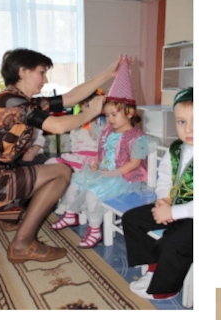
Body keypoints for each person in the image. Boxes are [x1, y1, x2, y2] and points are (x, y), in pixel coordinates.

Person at [0, 49, 123, 262]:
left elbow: (69, 98)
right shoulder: (11, 102)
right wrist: (91, 112)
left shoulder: (17, 100)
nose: (45, 79)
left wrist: (107, 74)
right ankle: (22, 243)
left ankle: (11, 225)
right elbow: (57, 125)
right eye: (42, 72)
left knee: (54, 170)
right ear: (23, 72)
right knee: (61, 171)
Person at [51, 57, 152, 249]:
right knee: (76, 182)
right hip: (103, 172)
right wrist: (97, 162)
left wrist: (114, 172)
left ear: (130, 113)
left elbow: (134, 163)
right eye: (107, 115)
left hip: (123, 176)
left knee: (91, 194)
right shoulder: (107, 131)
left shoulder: (136, 137)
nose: (110, 119)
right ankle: (70, 214)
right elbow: (102, 151)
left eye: (114, 115)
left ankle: (95, 229)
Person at [124, 86, 194, 299]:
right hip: (174, 206)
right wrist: (163, 199)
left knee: (175, 240)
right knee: (131, 219)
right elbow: (164, 176)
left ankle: (165, 287)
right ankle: (154, 265)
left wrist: (173, 213)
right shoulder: (177, 149)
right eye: (181, 122)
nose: (189, 129)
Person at [45, 90, 105, 173]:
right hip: (77, 154)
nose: (91, 109)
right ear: (80, 107)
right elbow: (72, 141)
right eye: (87, 106)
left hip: (94, 157)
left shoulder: (101, 122)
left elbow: (103, 142)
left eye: (95, 106)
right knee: (51, 163)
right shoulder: (77, 123)